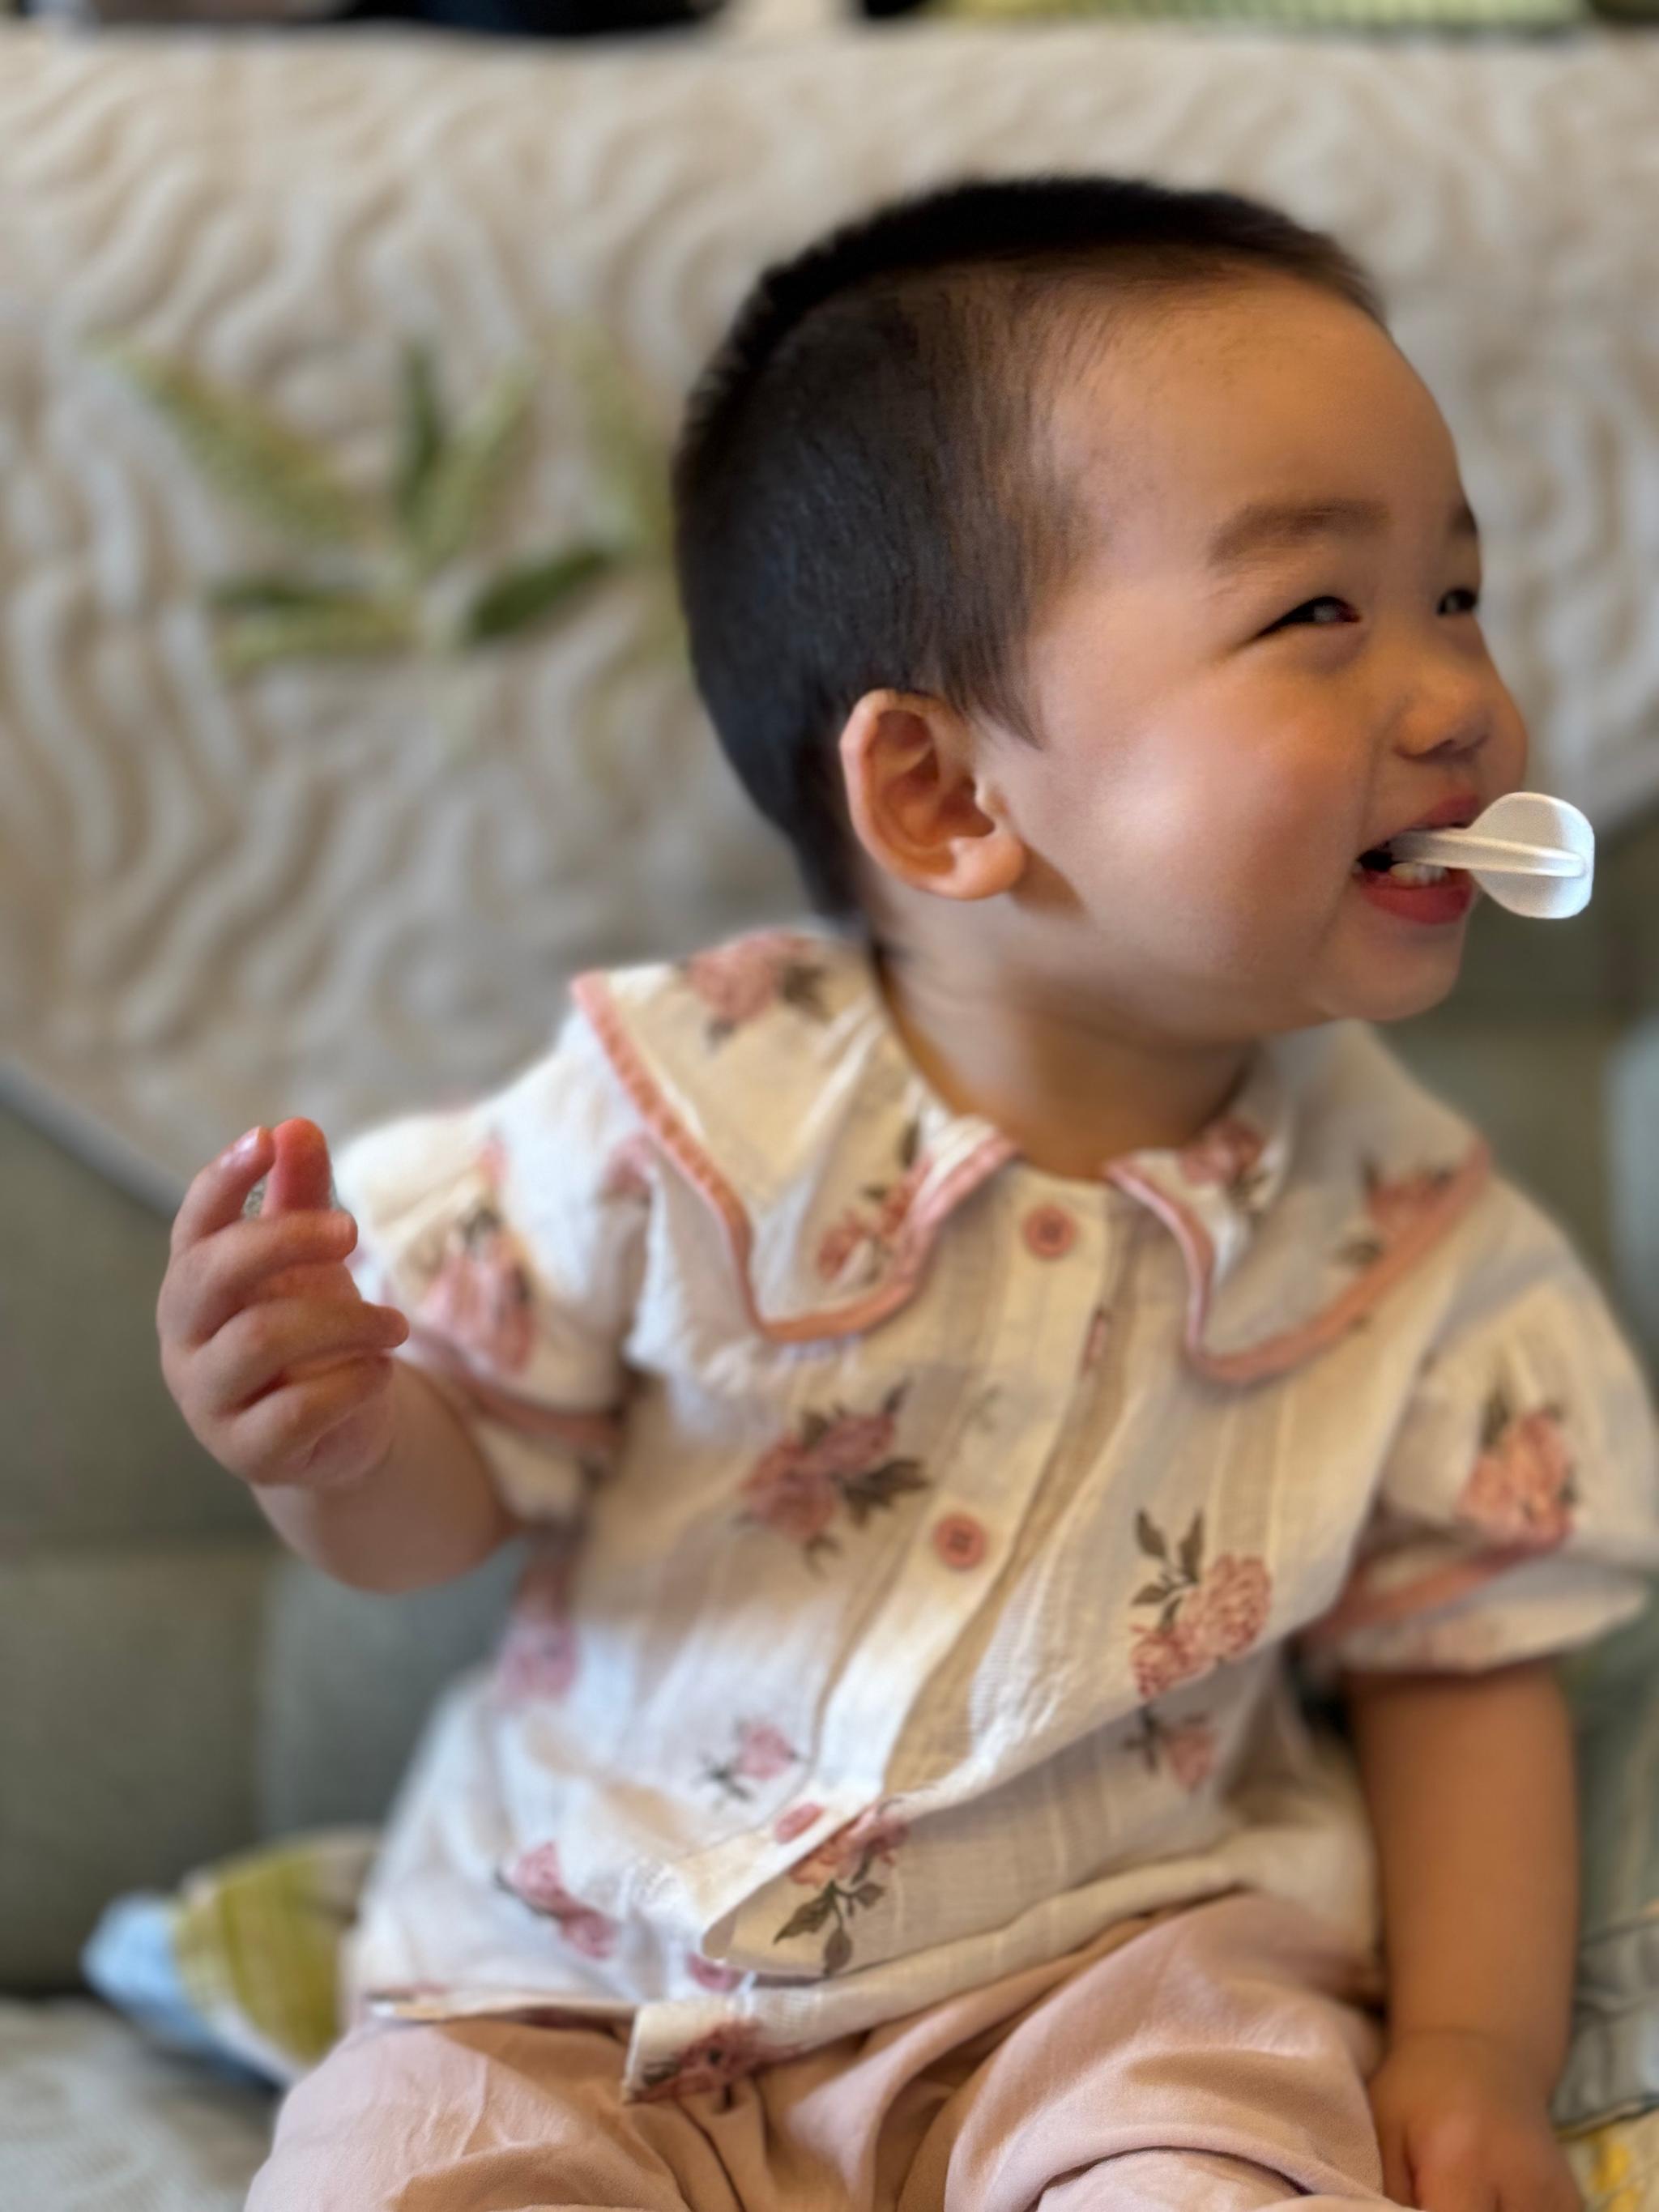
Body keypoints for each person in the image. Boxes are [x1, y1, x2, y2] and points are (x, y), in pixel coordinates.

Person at [156, 177, 1659, 2210]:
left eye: (1455, 596)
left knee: (1224, 2165)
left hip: (1118, 2004)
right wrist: (331, 1438)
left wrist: (1472, 2058)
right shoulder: (671, 1114)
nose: (1458, 698)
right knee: (399, 2170)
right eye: (1320, 611)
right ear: (947, 796)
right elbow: (440, 1508)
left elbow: (1461, 1681)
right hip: (575, 1990)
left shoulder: (1417, 1243)